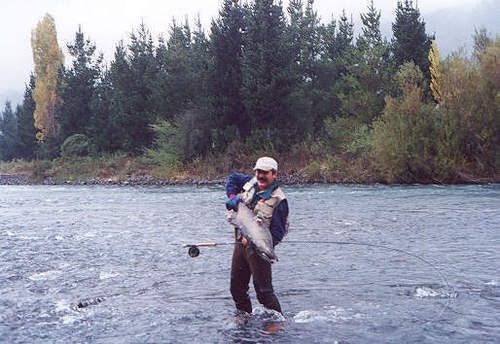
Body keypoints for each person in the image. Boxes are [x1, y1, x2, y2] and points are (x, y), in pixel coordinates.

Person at [225, 156, 289, 314]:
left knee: (264, 292)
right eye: (258, 171)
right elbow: (232, 179)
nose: (260, 176)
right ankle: (244, 316)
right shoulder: (250, 182)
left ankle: (278, 321)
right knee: (236, 288)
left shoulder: (279, 200)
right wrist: (233, 197)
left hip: (257, 249)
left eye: (265, 173)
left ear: (274, 174)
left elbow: (278, 233)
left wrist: (255, 242)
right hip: (240, 243)